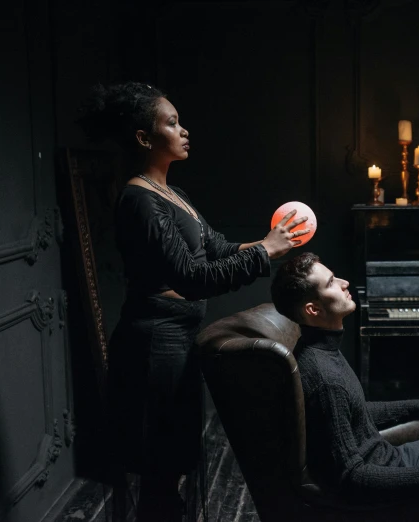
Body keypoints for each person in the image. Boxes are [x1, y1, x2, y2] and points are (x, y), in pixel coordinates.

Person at [77, 81, 309, 521]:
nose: (184, 131)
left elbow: (218, 249)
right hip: (153, 347)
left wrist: (267, 242)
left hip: (178, 343)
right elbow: (191, 279)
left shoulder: (174, 195)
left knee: (174, 465)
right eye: (172, 122)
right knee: (159, 474)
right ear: (145, 138)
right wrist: (265, 251)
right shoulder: (139, 200)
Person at [270, 252, 419, 520]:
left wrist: (418, 406)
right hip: (382, 482)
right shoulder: (324, 376)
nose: (345, 283)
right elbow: (352, 478)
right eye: (331, 283)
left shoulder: (322, 349)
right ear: (313, 309)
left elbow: (352, 413)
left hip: (388, 459)